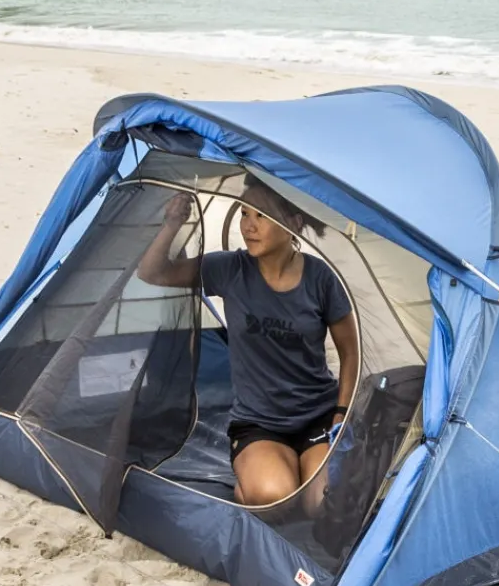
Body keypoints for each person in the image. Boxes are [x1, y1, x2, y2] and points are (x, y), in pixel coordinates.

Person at [138, 177, 359, 509]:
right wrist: (172, 224)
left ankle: (296, 470)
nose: (248, 226)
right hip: (259, 424)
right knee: (275, 499)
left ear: (293, 224)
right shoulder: (229, 269)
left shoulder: (320, 278)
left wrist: (341, 413)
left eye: (261, 216)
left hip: (319, 416)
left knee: (321, 504)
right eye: (244, 214)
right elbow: (152, 273)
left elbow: (350, 352)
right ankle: (255, 479)